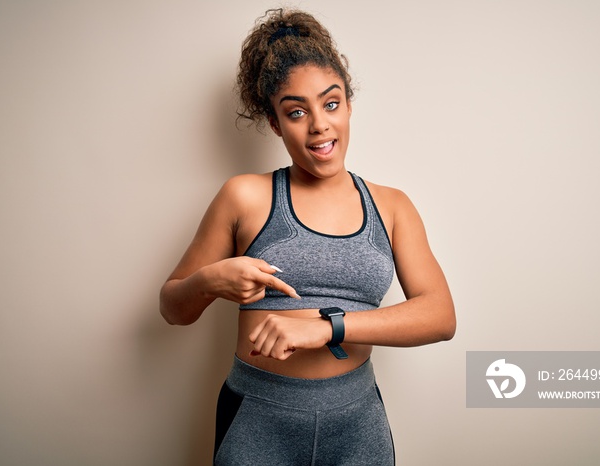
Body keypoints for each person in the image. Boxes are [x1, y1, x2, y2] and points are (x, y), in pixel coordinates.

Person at [160, 8, 456, 465]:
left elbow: (440, 316)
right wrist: (211, 280)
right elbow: (172, 307)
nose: (319, 124)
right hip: (259, 419)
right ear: (276, 124)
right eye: (297, 112)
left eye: (331, 103)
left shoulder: (392, 206)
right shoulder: (245, 196)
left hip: (357, 425)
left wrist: (327, 328)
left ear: (348, 105)